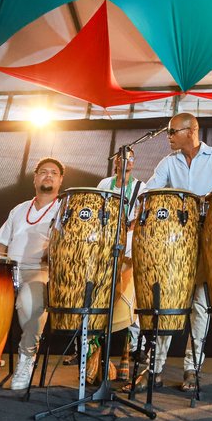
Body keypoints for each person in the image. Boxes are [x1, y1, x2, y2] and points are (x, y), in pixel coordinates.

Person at [142, 112, 212, 392]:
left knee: (200, 306)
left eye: (172, 132)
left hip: (207, 239)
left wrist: (207, 204)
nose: (168, 137)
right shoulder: (167, 162)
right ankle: (155, 368)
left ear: (191, 131)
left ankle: (192, 368)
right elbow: (149, 192)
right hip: (175, 242)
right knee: (167, 304)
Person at [0, 158, 64, 391]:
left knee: (29, 303)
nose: (48, 176)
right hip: (8, 270)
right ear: (34, 178)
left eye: (54, 173)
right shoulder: (19, 209)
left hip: (39, 271)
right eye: (43, 172)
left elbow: (67, 249)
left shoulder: (65, 209)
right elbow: (0, 247)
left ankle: (26, 358)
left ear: (61, 180)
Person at [97, 150, 146, 379]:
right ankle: (90, 349)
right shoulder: (105, 183)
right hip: (105, 240)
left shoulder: (140, 186)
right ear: (115, 161)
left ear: (134, 163)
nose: (125, 160)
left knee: (129, 291)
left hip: (127, 241)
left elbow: (140, 215)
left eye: (130, 157)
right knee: (101, 291)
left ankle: (133, 348)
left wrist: (125, 232)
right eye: (121, 156)